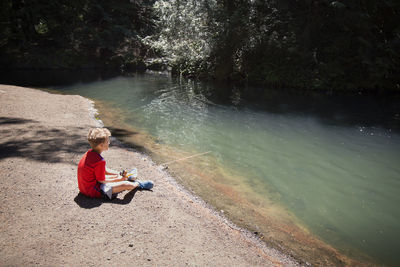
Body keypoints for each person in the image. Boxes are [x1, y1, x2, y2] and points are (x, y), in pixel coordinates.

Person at [77, 127, 153, 200]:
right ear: (101, 145)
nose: (109, 143)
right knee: (126, 184)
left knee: (119, 179)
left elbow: (104, 171)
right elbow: (101, 180)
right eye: (107, 141)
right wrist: (118, 179)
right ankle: (138, 184)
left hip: (84, 188)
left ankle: (127, 177)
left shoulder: (89, 153)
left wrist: (119, 174)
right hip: (94, 190)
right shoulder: (100, 161)